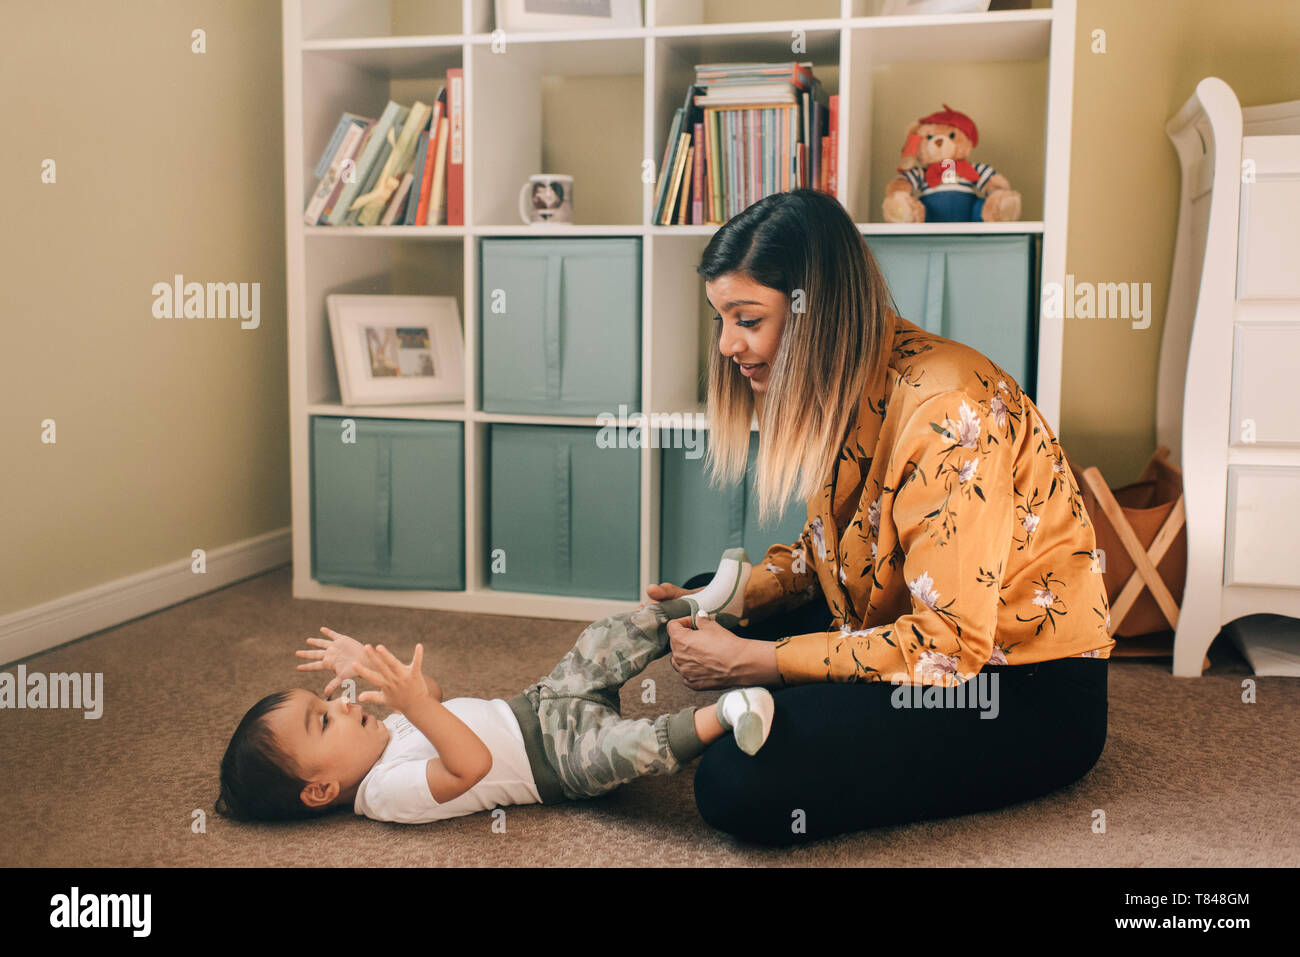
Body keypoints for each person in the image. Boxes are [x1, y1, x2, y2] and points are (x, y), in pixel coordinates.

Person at [645, 188, 1114, 845]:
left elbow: (949, 645)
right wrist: (734, 599)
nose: (726, 344)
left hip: (1014, 684)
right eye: (721, 319)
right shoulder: (848, 380)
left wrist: (759, 662)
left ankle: (785, 697)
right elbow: (829, 554)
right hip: (887, 620)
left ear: (815, 313)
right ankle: (790, 687)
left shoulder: (948, 412)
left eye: (747, 319)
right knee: (713, 597)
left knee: (733, 779)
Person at [214, 551, 769, 824]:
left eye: (325, 700)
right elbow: (470, 765)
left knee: (601, 639)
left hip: (542, 701)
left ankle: (708, 602)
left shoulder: (384, 734)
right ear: (319, 789)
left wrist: (373, 668)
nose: (339, 704)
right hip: (561, 763)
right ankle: (727, 713)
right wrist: (412, 705)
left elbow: (428, 691)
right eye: (324, 720)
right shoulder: (384, 794)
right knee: (630, 747)